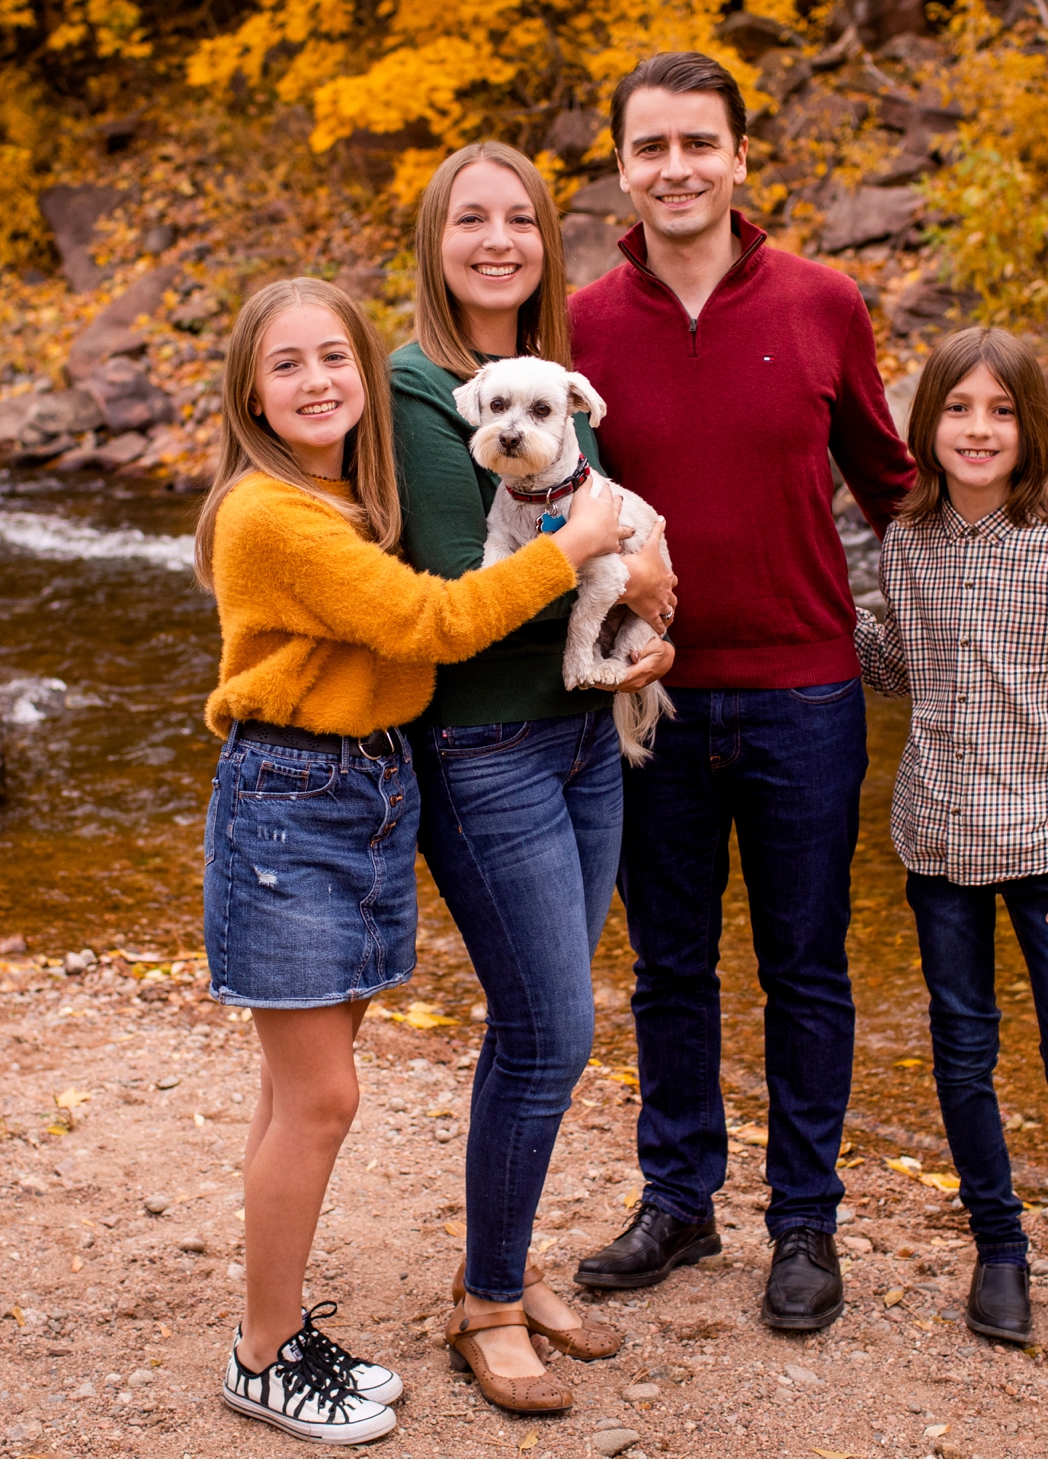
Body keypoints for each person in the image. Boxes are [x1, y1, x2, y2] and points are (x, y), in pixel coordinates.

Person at [193, 276, 629, 1443]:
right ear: (249, 390)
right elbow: (428, 625)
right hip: (293, 797)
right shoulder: (273, 515)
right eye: (287, 365)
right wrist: (574, 543)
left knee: (296, 1095)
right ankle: (264, 1352)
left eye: (335, 355)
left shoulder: (340, 498)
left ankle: (276, 1328)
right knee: (320, 1097)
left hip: (360, 790)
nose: (320, 380)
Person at [568, 51, 915, 1332]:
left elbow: (893, 483)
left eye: (698, 144)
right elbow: (544, 495)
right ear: (622, 168)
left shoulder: (823, 301)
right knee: (668, 964)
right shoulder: (584, 324)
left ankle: (806, 1223)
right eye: (651, 147)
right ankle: (679, 1197)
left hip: (806, 696)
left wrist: (1029, 538)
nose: (676, 168)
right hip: (646, 693)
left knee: (806, 966)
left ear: (739, 157)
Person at [386, 143, 678, 1413]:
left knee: (553, 1029)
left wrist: (649, 605)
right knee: (551, 1023)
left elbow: (621, 549)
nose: (498, 239)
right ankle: (489, 1303)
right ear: (436, 241)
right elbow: (464, 579)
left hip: (581, 734)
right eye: (472, 219)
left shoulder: (556, 386)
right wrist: (601, 540)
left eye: (520, 219)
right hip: (483, 748)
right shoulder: (413, 385)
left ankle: (501, 1263)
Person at [852, 325, 1048, 1354]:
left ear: (1029, 428)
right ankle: (999, 1248)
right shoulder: (907, 543)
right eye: (958, 409)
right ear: (928, 426)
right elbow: (894, 666)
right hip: (940, 844)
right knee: (962, 1056)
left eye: (999, 410)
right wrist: (806, 587)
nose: (978, 428)